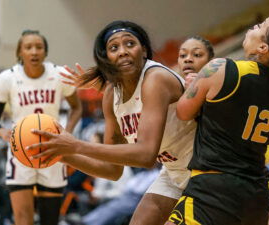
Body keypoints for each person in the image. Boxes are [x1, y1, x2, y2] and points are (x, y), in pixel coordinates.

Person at [27, 21, 197, 225]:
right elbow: (112, 170)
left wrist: (76, 145)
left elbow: (145, 155)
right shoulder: (111, 95)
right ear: (107, 58)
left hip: (206, 170)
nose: (123, 52)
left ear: (143, 50)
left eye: (130, 44)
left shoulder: (156, 79)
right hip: (174, 172)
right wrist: (62, 154)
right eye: (114, 47)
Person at [166, 13, 269, 225]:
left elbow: (183, 112)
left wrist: (195, 88)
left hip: (213, 189)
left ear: (263, 48)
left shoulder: (220, 68)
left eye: (259, 26)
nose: (252, 28)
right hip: (256, 196)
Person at [0, 30, 82, 225]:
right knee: (22, 219)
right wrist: (4, 133)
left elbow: (77, 107)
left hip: (52, 149)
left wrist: (67, 133)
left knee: (50, 220)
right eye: (28, 47)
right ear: (20, 52)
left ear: (45, 52)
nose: (34, 51)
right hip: (20, 152)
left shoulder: (59, 74)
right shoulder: (7, 78)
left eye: (39, 47)